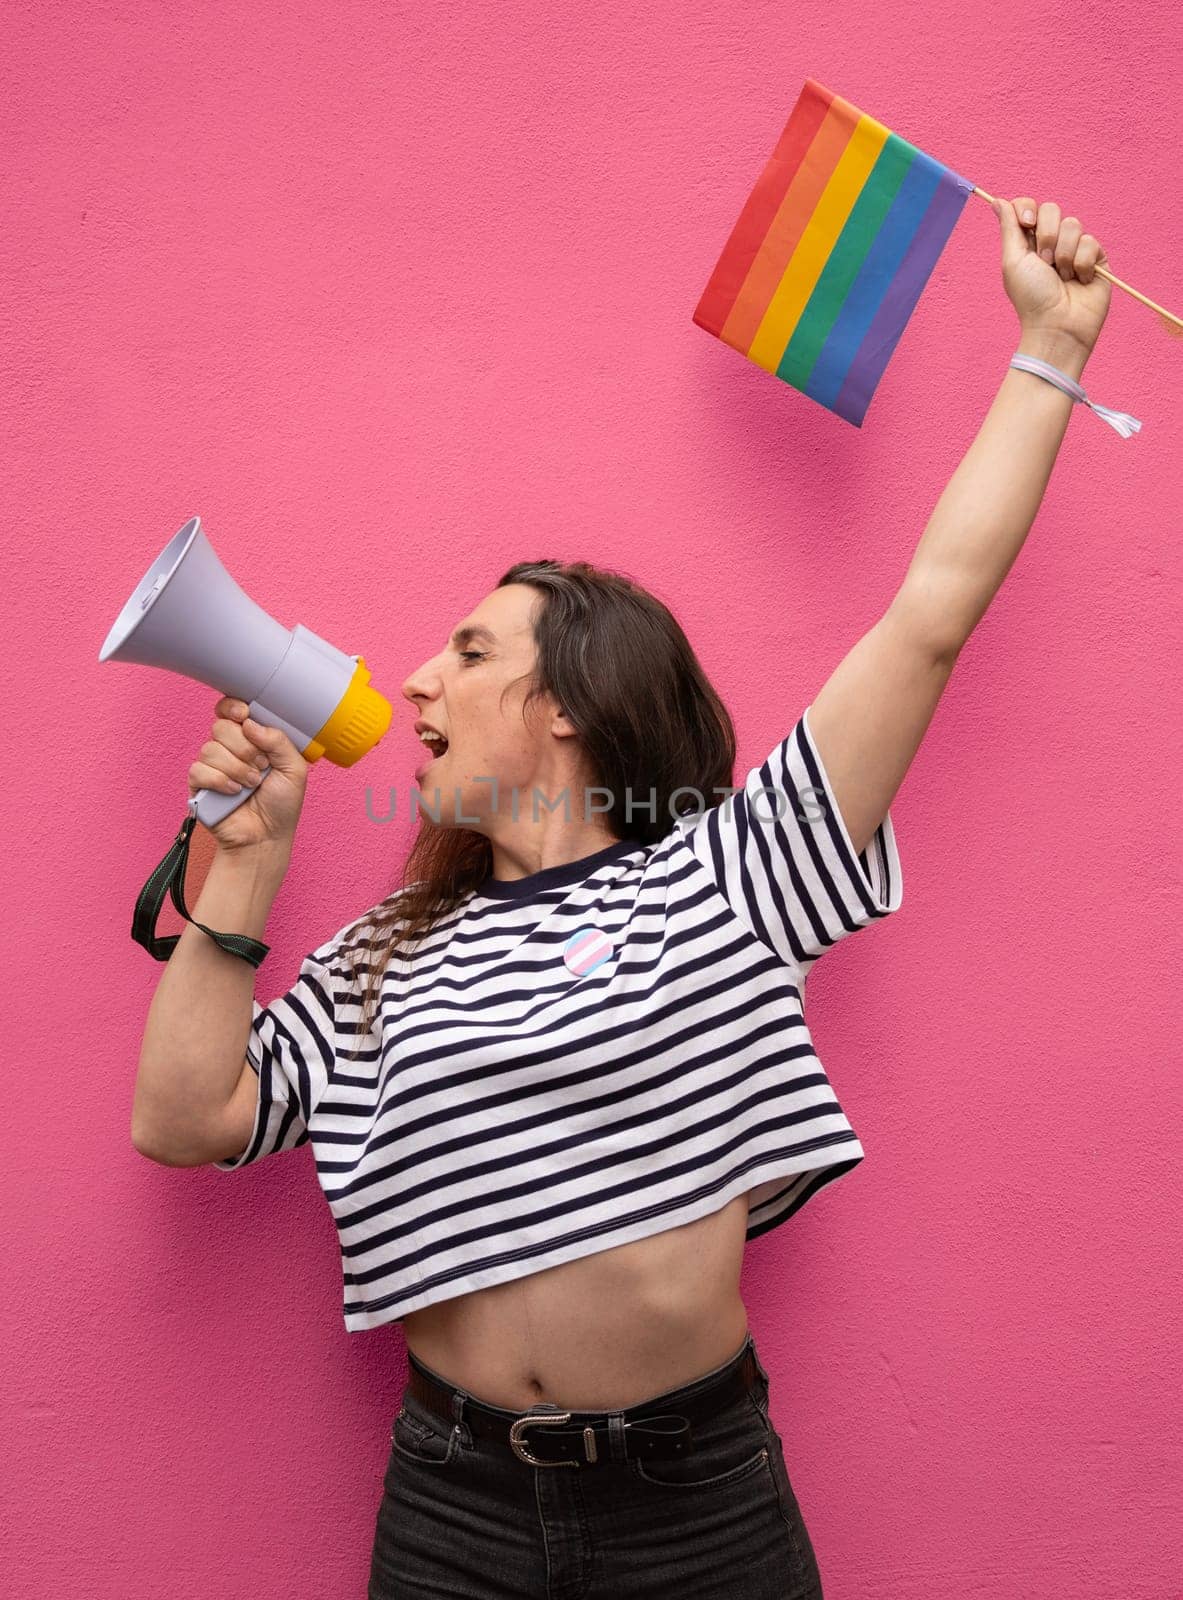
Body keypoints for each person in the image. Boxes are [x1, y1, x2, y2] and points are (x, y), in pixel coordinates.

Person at [131, 194, 1111, 1599]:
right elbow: (183, 1119)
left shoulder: (731, 875)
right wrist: (249, 864)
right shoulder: (386, 952)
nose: (416, 680)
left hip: (693, 1507)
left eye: (469, 649)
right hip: (451, 1503)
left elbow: (931, 612)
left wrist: (1051, 345)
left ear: (572, 711)